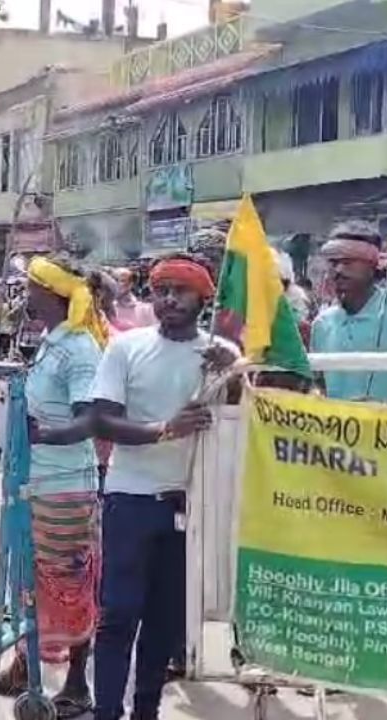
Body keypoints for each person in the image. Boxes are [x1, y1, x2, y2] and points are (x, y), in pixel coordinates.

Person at [89, 255, 237, 720]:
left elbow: (237, 419)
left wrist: (232, 372)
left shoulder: (219, 354)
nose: (169, 299)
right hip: (129, 498)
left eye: (181, 290)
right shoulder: (126, 348)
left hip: (189, 502)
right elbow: (102, 418)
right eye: (161, 289)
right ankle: (106, 710)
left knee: (163, 620)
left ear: (203, 298)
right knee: (117, 615)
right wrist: (164, 430)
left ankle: (146, 711)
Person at [0, 256, 106, 718]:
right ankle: (24, 669)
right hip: (35, 482)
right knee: (31, 583)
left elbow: (91, 418)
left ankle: (75, 683)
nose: (24, 294)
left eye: (30, 287)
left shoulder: (80, 348)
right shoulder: (52, 340)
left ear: (53, 293)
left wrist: (41, 434)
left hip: (66, 485)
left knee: (70, 584)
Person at [310, 220, 387, 404]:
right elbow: (318, 385)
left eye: (347, 262)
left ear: (372, 266)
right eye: (333, 262)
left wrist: (383, 408)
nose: (337, 270)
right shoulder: (322, 324)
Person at [110, 268, 157, 332]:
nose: (116, 284)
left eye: (121, 280)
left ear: (131, 284)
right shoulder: (105, 309)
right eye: (113, 280)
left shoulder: (146, 309)